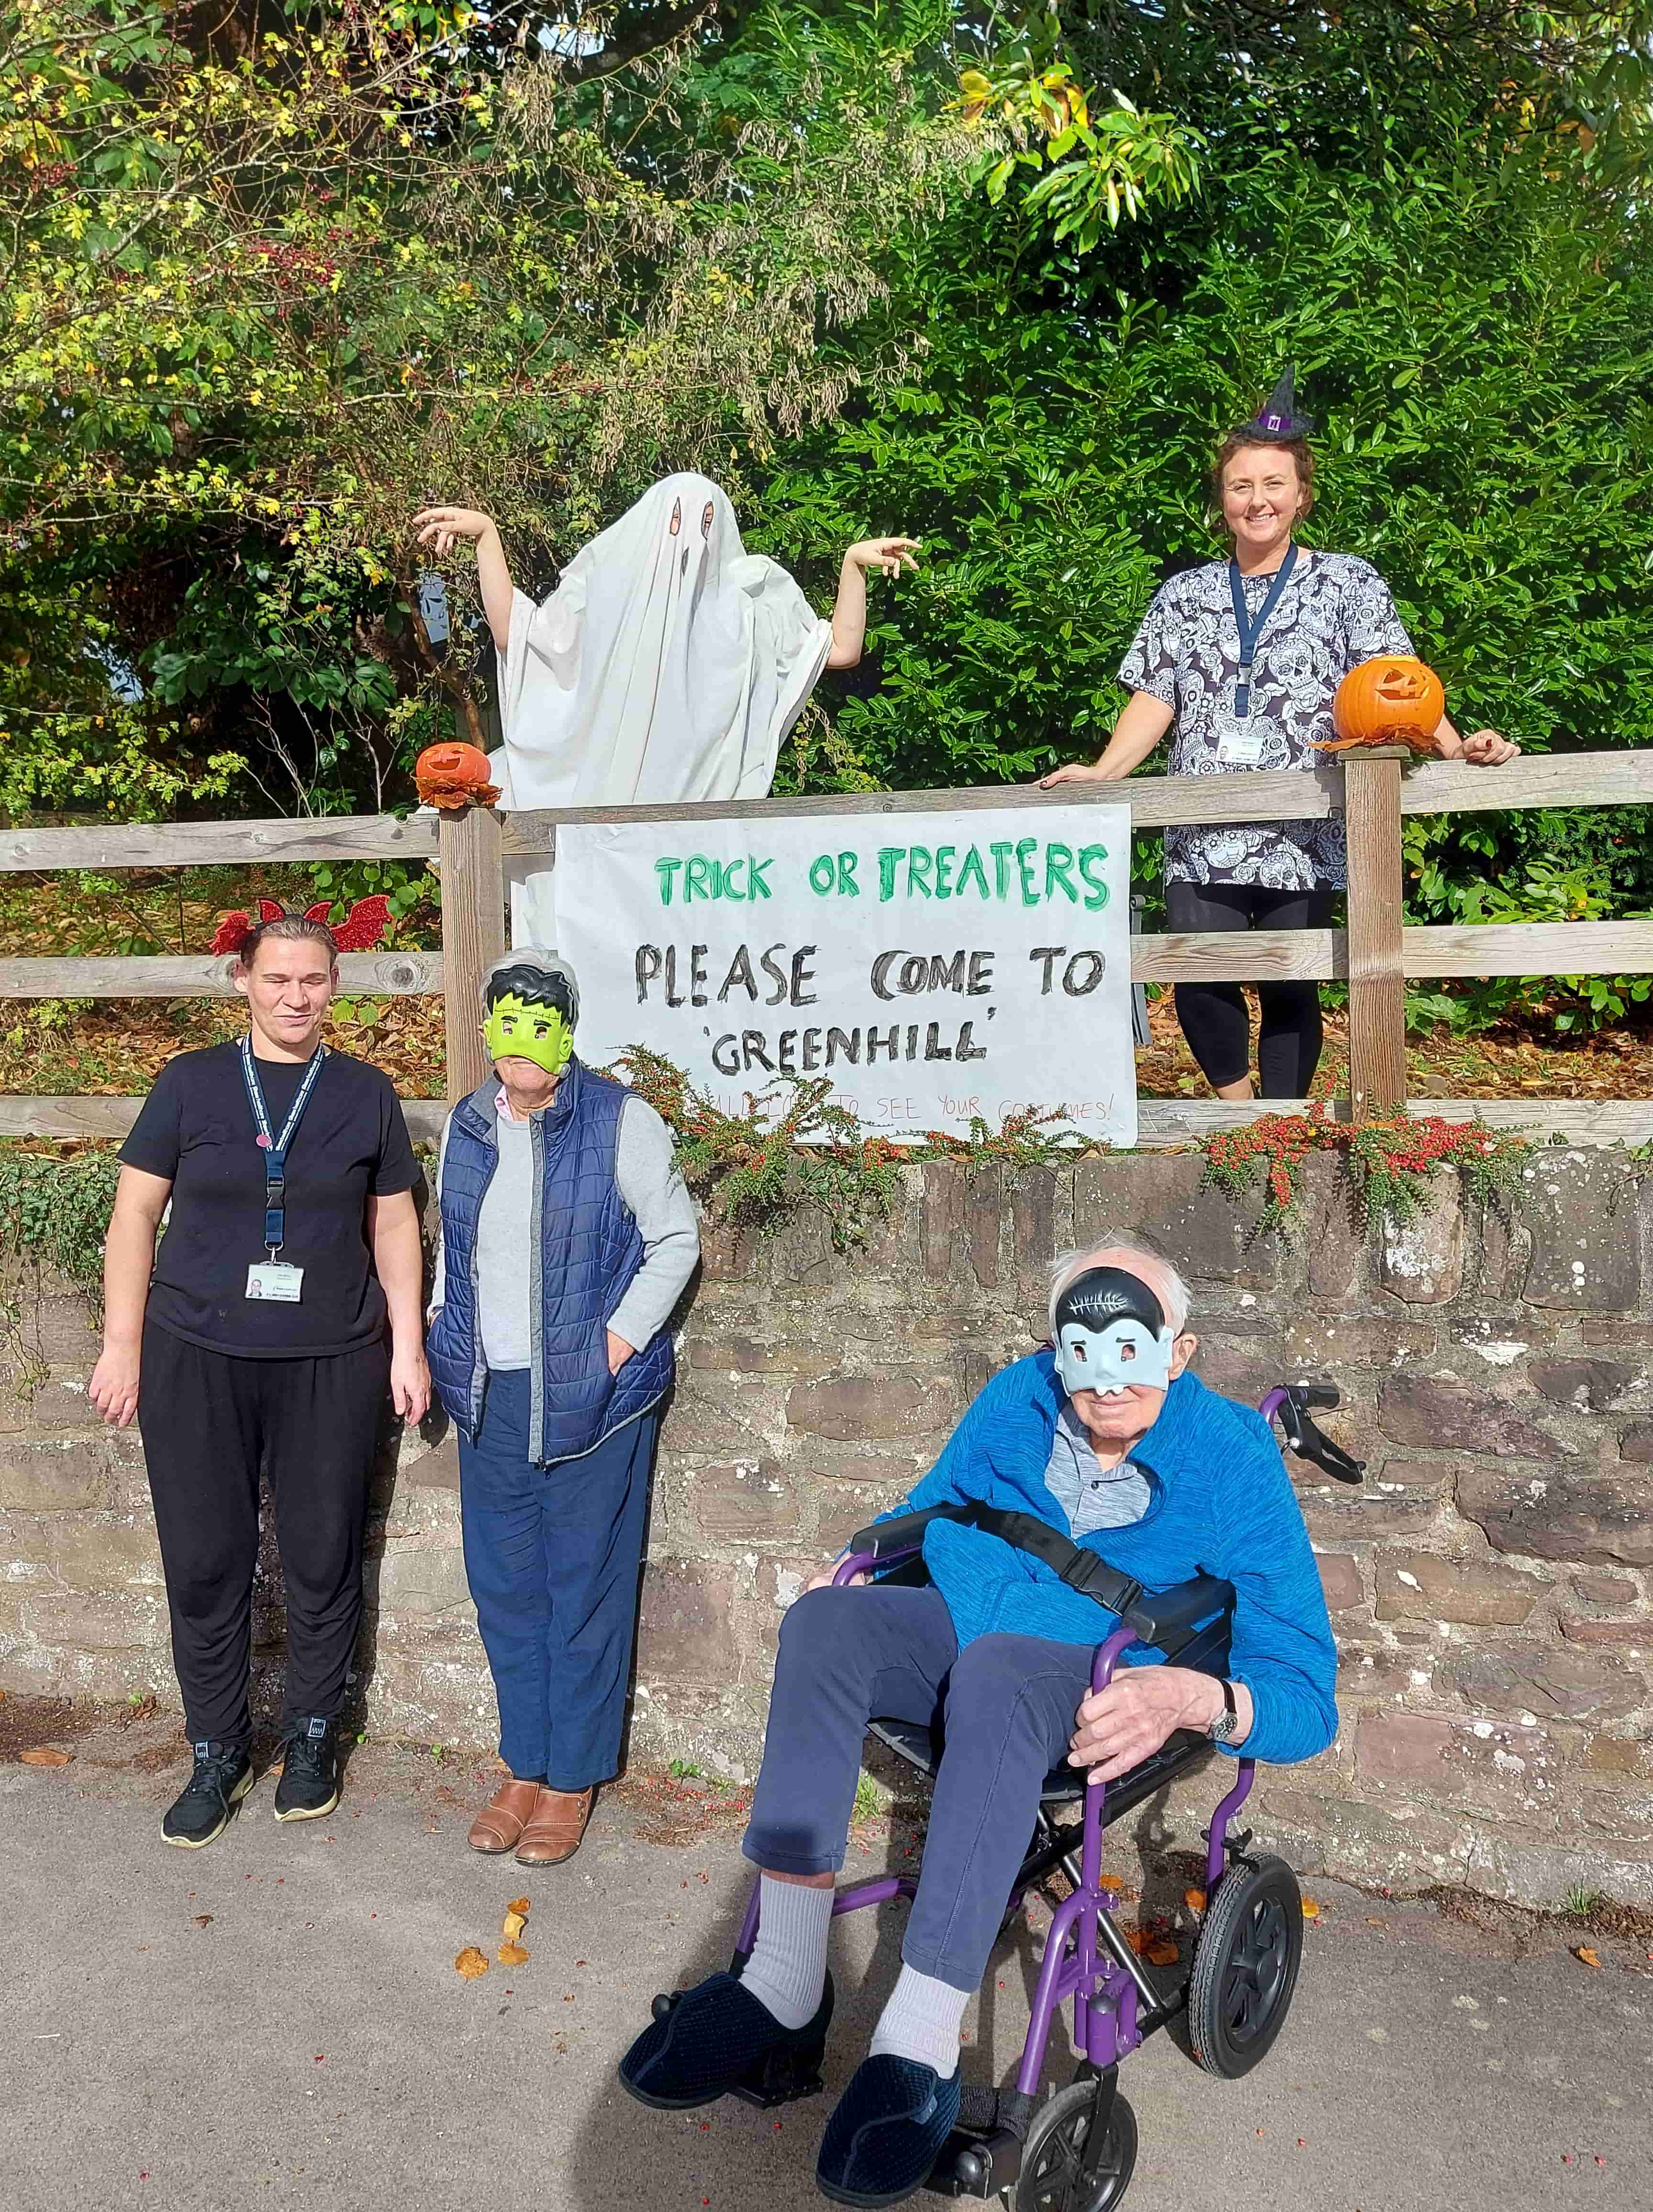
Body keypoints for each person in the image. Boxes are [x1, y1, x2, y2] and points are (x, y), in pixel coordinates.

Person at [618, 1240, 1336, 2207]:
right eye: (1080, 1345)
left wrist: (1196, 1696)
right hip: (969, 1618)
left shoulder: (1234, 1459)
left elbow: (1305, 1690)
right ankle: (784, 1980)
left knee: (999, 1669)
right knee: (827, 1621)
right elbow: (934, 1506)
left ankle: (917, 2041)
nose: (1103, 1375)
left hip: (1098, 1672)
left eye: (1133, 1345)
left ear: (1178, 1349)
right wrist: (863, 1556)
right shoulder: (1019, 1394)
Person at [1040, 369, 1520, 1100]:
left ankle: (1283, 1127)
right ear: (1222, 500)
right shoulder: (1185, 593)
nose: (1257, 500)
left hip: (1308, 822)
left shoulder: (1349, 583)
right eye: (1240, 486)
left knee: (1292, 984)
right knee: (1199, 979)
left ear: (1301, 494)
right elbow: (1154, 696)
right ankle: (1242, 1124)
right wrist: (1106, 773)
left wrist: (1456, 749)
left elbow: (1398, 682)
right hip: (1202, 823)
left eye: (1273, 484)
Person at [88, 904, 430, 1848]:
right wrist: (123, 1343)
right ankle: (218, 1749)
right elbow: (133, 1216)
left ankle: (314, 1737)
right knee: (206, 1563)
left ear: (334, 985)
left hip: (332, 1357)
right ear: (242, 979)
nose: (295, 995)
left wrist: (406, 1343)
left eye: (312, 979)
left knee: (322, 1558)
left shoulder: (365, 1092)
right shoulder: (190, 1083)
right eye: (276, 977)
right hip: (196, 1354)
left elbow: (394, 1222)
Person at [426, 948, 700, 1866]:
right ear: (485, 1023)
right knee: (505, 1589)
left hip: (591, 1397)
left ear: (568, 1026)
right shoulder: (465, 1124)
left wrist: (612, 1343)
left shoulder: (622, 1121)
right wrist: (439, 1325)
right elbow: (450, 1246)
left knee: (582, 1587)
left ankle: (573, 1776)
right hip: (488, 1393)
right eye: (505, 1016)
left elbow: (674, 1239)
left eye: (538, 1018)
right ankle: (524, 1762)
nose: (520, 1038)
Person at [409, 475, 918, 942]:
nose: (690, 542)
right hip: (600, 829)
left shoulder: (749, 612)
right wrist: (488, 538)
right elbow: (520, 635)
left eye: (705, 524)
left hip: (689, 860)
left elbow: (839, 650)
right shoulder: (606, 594)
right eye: (676, 522)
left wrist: (852, 566)